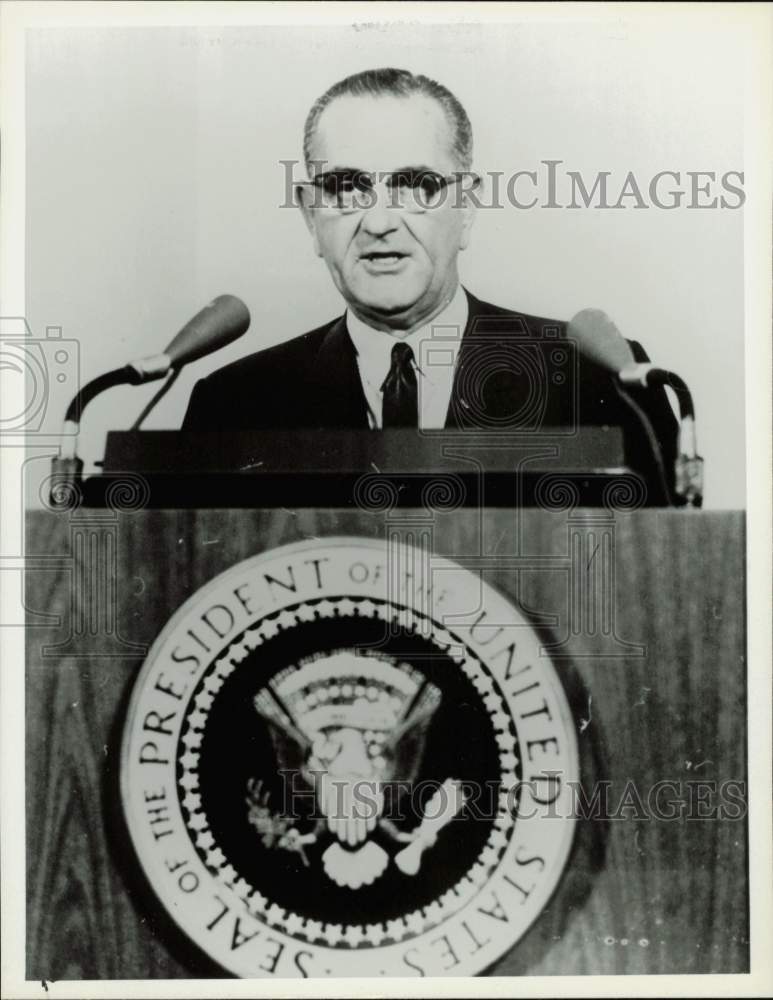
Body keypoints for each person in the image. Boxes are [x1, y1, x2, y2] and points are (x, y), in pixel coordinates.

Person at [183, 68, 677, 498]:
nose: (378, 222)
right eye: (344, 188)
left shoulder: (604, 385)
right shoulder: (233, 405)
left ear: (467, 209)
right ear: (312, 217)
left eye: (416, 186)